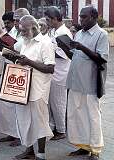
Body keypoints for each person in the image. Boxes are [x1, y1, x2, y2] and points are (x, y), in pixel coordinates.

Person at [57, 6, 109, 160]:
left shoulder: (102, 34)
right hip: (75, 82)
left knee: (92, 116)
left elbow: (101, 59)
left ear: (94, 17)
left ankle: (95, 150)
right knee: (76, 116)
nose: (81, 20)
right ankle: (83, 146)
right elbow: (75, 56)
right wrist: (65, 48)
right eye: (80, 17)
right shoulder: (79, 33)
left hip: (90, 83)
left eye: (84, 17)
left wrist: (81, 47)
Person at [3, 15, 55, 160]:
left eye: (24, 31)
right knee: (25, 121)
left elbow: (50, 68)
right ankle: (29, 150)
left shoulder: (45, 43)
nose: (22, 34)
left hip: (38, 89)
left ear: (33, 28)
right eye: (20, 31)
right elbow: (23, 59)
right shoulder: (26, 41)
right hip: (23, 88)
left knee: (39, 122)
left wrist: (29, 62)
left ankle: (41, 154)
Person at [0, 8, 30, 147]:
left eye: (18, 20)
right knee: (7, 103)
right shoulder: (11, 32)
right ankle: (11, 132)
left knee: (19, 105)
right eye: (15, 20)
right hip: (8, 67)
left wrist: (13, 49)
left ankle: (20, 134)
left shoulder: (29, 32)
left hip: (22, 71)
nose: (16, 23)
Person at [44, 6, 73, 140]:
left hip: (61, 72)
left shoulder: (64, 33)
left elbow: (64, 54)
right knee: (50, 102)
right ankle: (52, 126)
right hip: (53, 72)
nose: (47, 22)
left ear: (56, 19)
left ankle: (61, 130)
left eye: (48, 20)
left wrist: (45, 51)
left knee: (58, 102)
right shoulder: (54, 31)